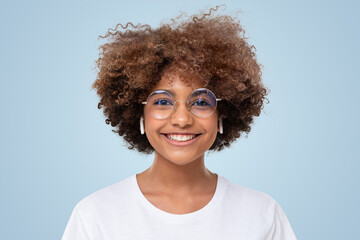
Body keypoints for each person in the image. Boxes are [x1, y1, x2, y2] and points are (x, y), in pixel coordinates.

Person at [62, 6, 297, 240]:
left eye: (201, 102)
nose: (182, 120)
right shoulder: (95, 217)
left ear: (222, 116)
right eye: (163, 101)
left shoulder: (262, 215)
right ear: (139, 114)